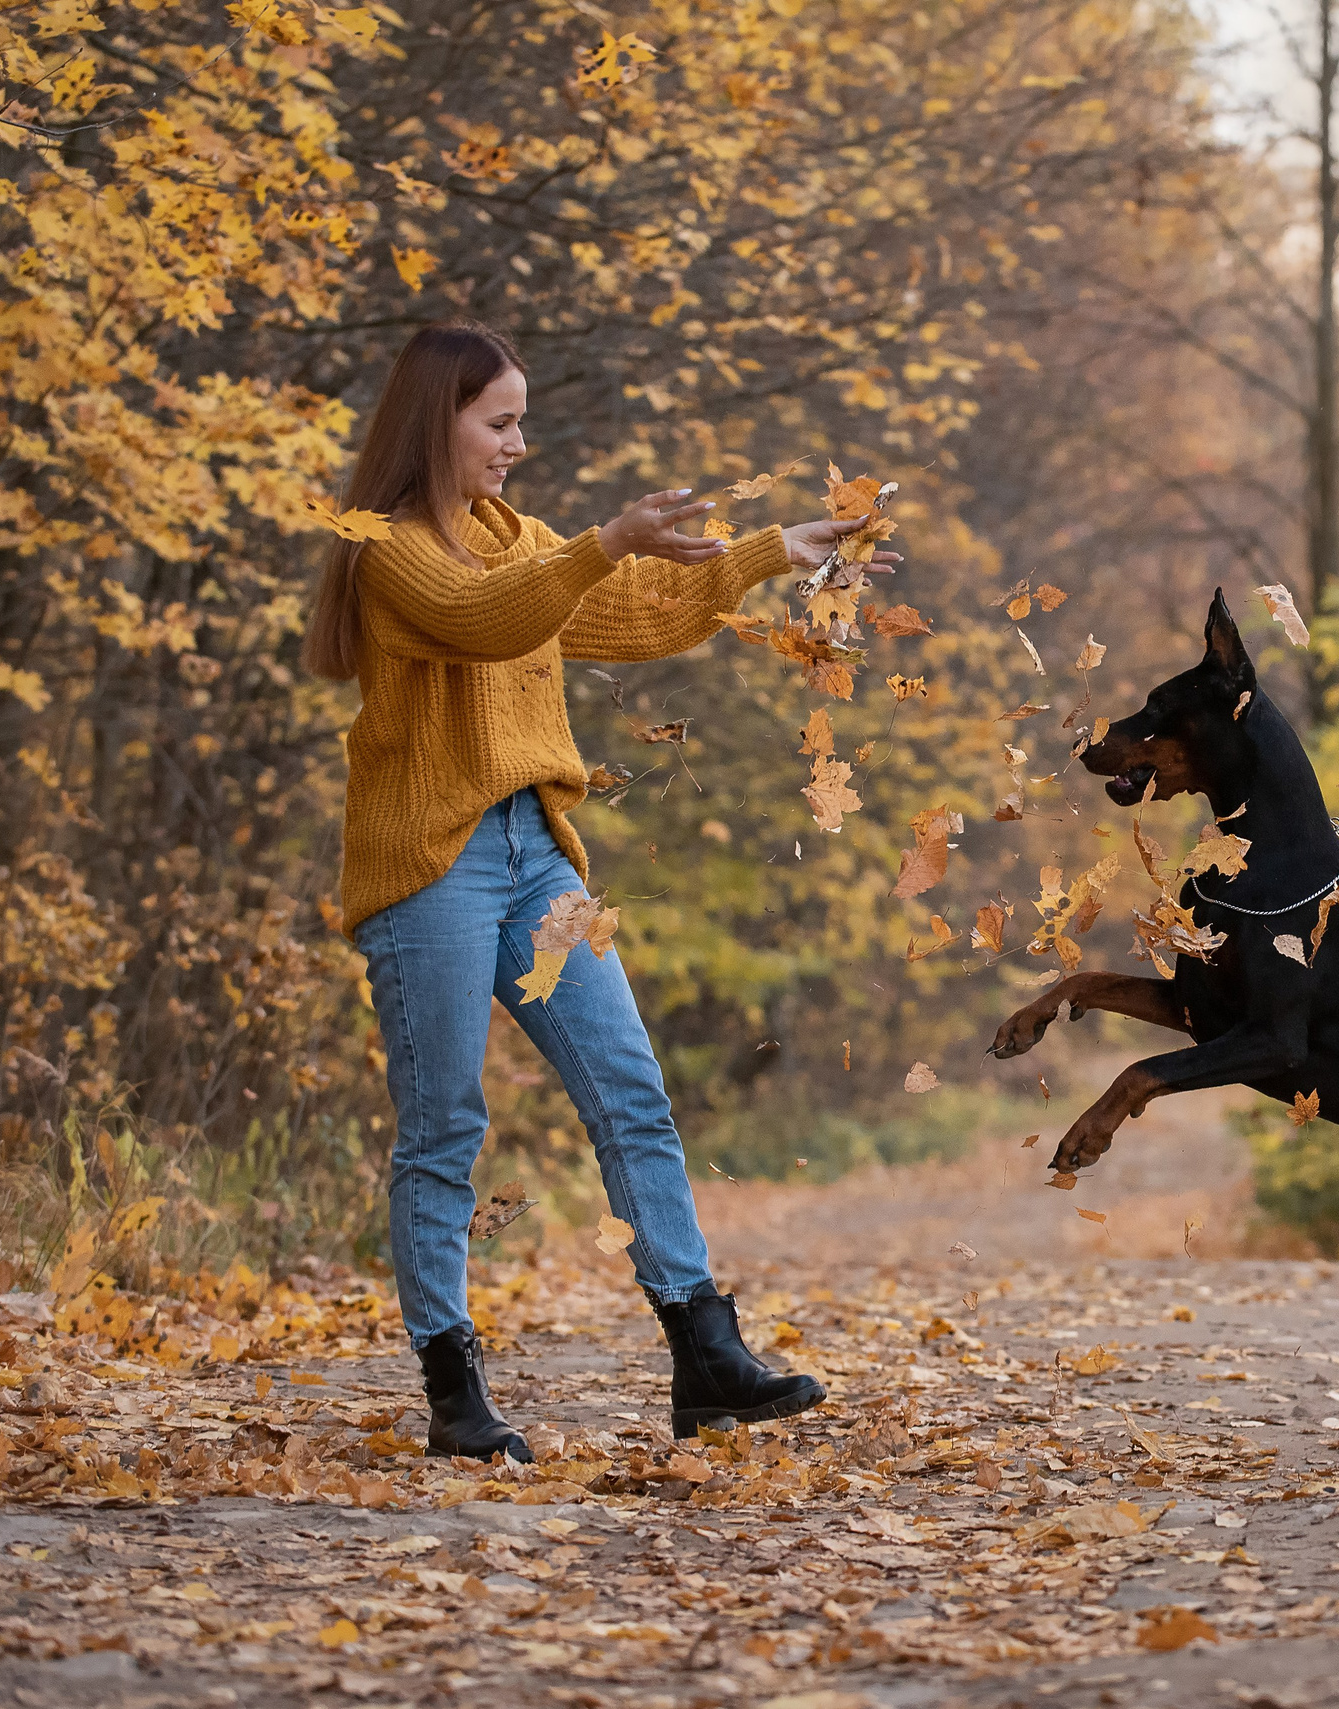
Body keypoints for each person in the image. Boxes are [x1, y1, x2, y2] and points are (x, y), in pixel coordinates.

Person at [301, 321, 894, 1460]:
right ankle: (453, 1387)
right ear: (438, 422)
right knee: (444, 1126)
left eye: (521, 421)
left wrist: (773, 550)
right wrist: (602, 541)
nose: (517, 444)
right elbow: (489, 616)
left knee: (631, 1090)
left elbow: (640, 615)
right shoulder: (393, 551)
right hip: (431, 862)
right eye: (499, 422)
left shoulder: (518, 540)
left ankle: (704, 1352)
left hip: (537, 851)